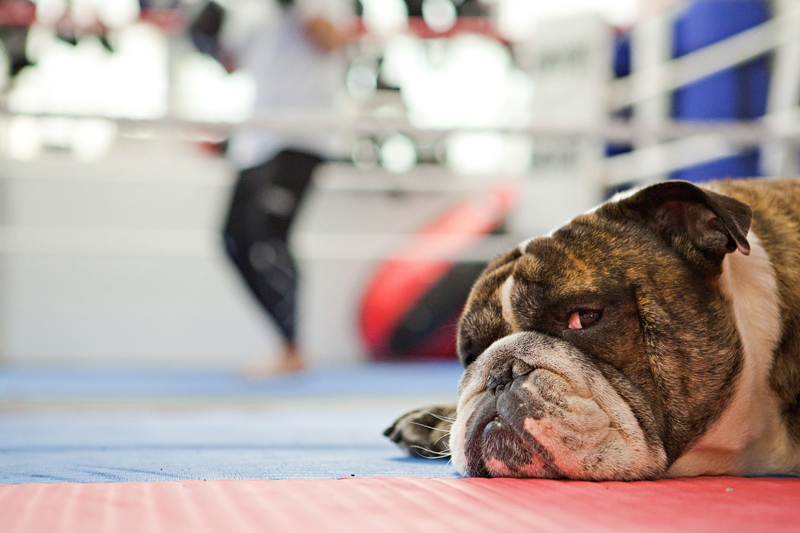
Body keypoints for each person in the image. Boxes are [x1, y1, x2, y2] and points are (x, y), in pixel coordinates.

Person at [207, 0, 351, 374]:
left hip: (302, 133)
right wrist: (203, 34)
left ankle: (291, 347)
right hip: (257, 136)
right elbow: (232, 63)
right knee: (233, 239)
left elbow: (332, 42)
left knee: (270, 236)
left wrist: (296, 8)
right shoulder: (247, 8)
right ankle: (288, 345)